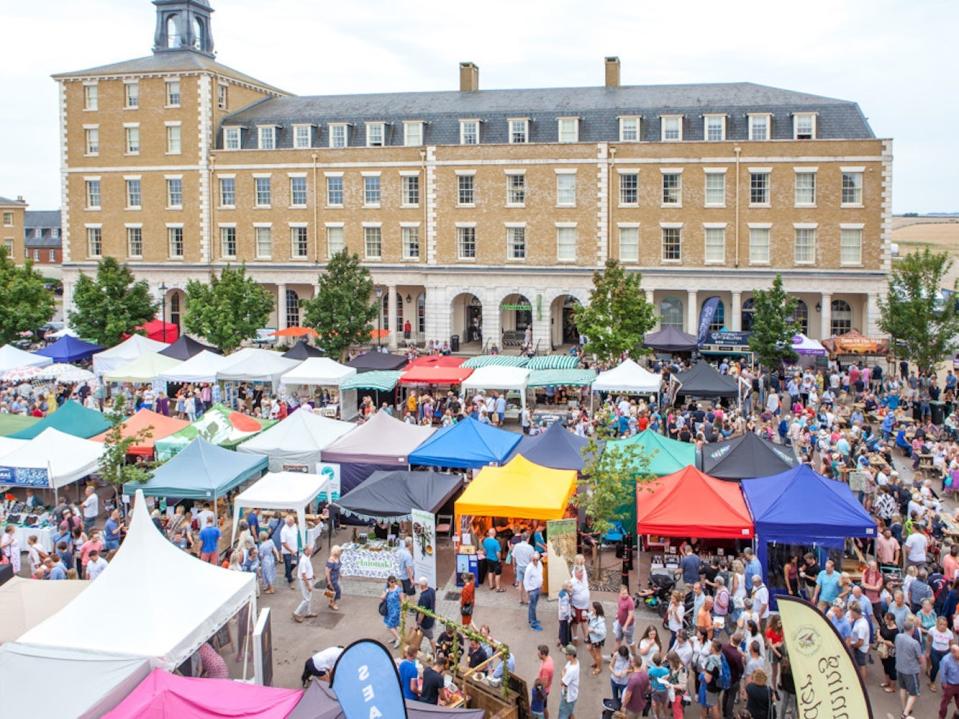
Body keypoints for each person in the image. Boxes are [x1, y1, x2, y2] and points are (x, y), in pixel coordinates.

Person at [895, 618, 925, 719]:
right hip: (911, 671)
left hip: (899, 668)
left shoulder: (898, 636)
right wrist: (921, 665)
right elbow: (920, 657)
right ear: (912, 629)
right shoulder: (914, 643)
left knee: (902, 688)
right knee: (913, 693)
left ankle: (904, 708)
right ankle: (905, 714)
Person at [928, 615, 954, 691]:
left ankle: (945, 685)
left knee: (946, 669)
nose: (943, 626)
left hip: (945, 653)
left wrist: (952, 655)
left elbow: (951, 644)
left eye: (945, 624)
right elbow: (929, 640)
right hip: (935, 651)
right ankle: (932, 683)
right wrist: (928, 651)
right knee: (935, 667)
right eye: (941, 624)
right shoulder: (932, 630)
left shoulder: (949, 633)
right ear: (937, 624)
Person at [293, 545, 317, 623]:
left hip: (308, 579)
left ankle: (308, 612)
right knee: (306, 599)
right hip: (305, 581)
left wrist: (312, 574)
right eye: (310, 550)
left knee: (309, 597)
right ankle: (296, 612)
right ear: (306, 550)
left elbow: (307, 569)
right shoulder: (303, 560)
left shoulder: (307, 558)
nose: (312, 551)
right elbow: (303, 574)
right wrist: (308, 585)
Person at [847, 603, 870, 682]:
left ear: (856, 613)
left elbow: (860, 642)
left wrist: (853, 646)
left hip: (860, 649)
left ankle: (862, 681)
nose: (851, 615)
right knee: (860, 664)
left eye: (852, 613)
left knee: (861, 665)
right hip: (858, 646)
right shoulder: (859, 619)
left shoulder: (862, 626)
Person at [558, 644, 579, 719]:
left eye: (566, 654)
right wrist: (563, 674)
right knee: (570, 713)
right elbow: (563, 671)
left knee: (562, 715)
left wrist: (563, 674)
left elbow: (562, 683)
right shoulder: (574, 661)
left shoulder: (571, 670)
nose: (565, 655)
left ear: (571, 655)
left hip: (568, 697)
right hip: (572, 695)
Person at [416, 577, 436, 652]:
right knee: (421, 633)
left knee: (431, 638)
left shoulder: (423, 597)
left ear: (421, 586)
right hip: (431, 617)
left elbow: (422, 612)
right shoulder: (432, 590)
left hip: (426, 622)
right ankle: (417, 647)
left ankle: (435, 652)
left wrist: (418, 622)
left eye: (419, 584)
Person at [382, 575, 403, 648]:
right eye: (392, 582)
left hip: (395, 610)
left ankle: (399, 638)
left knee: (390, 625)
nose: (393, 583)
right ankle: (395, 638)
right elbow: (382, 598)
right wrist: (386, 592)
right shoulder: (386, 588)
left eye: (394, 581)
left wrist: (402, 610)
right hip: (388, 610)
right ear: (388, 582)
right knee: (393, 625)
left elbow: (402, 600)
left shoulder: (398, 589)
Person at [586, 601, 607, 676]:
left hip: (597, 638)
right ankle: (596, 661)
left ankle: (599, 667)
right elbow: (588, 616)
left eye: (592, 607)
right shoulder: (592, 614)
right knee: (589, 648)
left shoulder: (600, 621)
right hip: (591, 636)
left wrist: (593, 630)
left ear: (596, 609)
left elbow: (603, 632)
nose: (591, 608)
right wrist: (585, 615)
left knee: (598, 653)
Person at [525, 552, 544, 631]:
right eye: (534, 560)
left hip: (537, 588)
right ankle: (533, 623)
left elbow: (540, 575)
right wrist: (528, 590)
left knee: (533, 606)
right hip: (532, 590)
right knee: (532, 606)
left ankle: (531, 619)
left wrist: (541, 584)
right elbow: (526, 580)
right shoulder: (529, 568)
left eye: (537, 559)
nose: (535, 561)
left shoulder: (539, 564)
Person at [939, 643, 959, 718]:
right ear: (953, 652)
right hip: (950, 685)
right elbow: (943, 673)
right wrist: (945, 685)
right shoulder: (946, 660)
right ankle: (941, 717)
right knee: (945, 703)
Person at [613, 584, 636, 648]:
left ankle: (634, 655)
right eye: (623, 593)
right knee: (618, 639)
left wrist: (625, 626)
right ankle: (613, 654)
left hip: (629, 626)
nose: (625, 595)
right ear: (619, 593)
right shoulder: (620, 598)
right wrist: (617, 614)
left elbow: (630, 615)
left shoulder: (630, 601)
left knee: (630, 642)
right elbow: (619, 607)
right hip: (620, 623)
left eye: (626, 593)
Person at [647, 652, 670, 718]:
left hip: (655, 689)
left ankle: (657, 716)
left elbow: (649, 678)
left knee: (657, 705)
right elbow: (668, 679)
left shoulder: (650, 670)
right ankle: (666, 716)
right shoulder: (666, 670)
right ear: (661, 660)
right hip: (664, 689)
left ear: (653, 661)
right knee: (664, 704)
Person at [280, 514, 299, 587]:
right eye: (291, 522)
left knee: (295, 563)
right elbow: (283, 542)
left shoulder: (294, 526)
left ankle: (287, 573)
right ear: (287, 522)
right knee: (288, 565)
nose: (293, 523)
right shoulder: (283, 530)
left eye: (293, 521)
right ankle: (290, 579)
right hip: (287, 552)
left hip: (295, 550)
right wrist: (291, 550)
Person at [536, 645, 555, 718]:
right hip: (546, 689)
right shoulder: (549, 658)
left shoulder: (546, 668)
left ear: (543, 654)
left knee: (542, 707)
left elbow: (544, 684)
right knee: (544, 706)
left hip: (543, 691)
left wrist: (537, 691)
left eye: (539, 653)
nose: (537, 654)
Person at [325, 545, 342, 610]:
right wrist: (329, 582)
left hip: (336, 577)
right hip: (331, 579)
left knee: (330, 591)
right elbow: (327, 572)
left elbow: (338, 567)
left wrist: (340, 574)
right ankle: (333, 603)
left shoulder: (337, 558)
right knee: (336, 591)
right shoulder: (331, 560)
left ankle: (330, 602)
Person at [557, 580, 573, 648]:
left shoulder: (563, 593)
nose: (572, 588)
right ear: (566, 587)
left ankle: (561, 641)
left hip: (563, 615)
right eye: (570, 587)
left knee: (563, 628)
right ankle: (564, 643)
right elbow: (564, 608)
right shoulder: (564, 596)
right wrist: (568, 617)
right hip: (564, 616)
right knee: (564, 629)